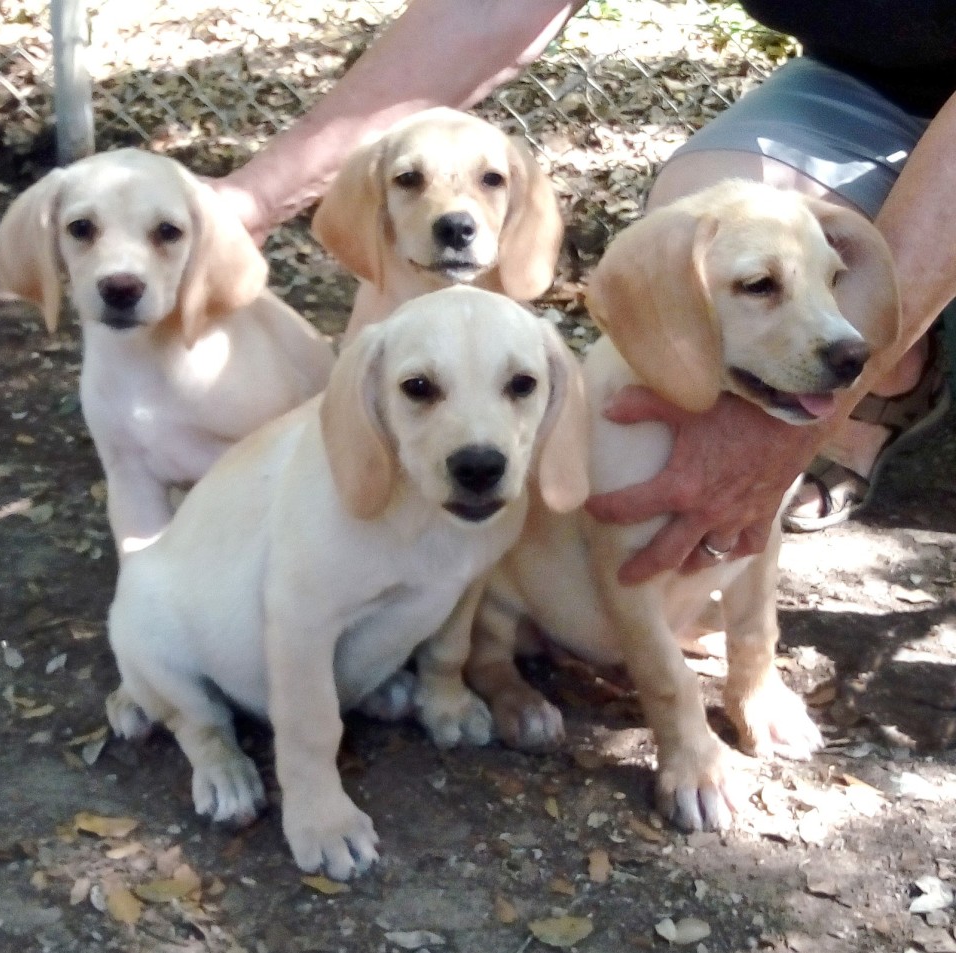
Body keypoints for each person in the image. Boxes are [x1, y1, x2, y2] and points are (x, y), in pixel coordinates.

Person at [213, 0, 956, 583]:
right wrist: (247, 202)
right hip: (872, 84)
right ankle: (895, 375)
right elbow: (485, 9)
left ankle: (849, 403)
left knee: (806, 345)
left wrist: (792, 432)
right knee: (719, 232)